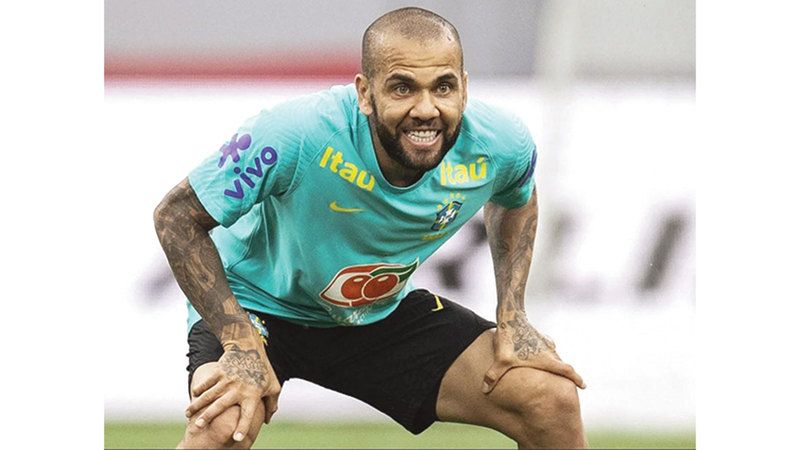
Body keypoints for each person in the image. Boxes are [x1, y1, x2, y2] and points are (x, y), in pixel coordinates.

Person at [154, 6, 587, 449]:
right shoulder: (296, 133)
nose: (426, 109)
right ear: (365, 93)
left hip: (376, 313)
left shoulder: (501, 143)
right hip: (255, 306)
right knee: (223, 426)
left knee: (549, 400)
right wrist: (239, 340)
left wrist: (513, 314)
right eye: (402, 88)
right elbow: (176, 217)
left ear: (464, 88)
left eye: (443, 87)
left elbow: (517, 197)